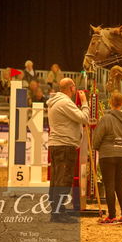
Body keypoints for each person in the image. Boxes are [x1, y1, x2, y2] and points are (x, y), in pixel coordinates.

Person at [46, 77, 89, 223]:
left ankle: (57, 211)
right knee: (64, 179)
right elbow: (84, 118)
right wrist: (84, 103)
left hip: (58, 144)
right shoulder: (64, 102)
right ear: (71, 88)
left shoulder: (55, 102)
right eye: (74, 87)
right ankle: (58, 213)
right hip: (65, 145)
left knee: (57, 179)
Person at [93, 91, 122, 224]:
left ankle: (112, 216)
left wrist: (98, 147)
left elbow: (97, 138)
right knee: (119, 184)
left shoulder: (106, 118)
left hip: (107, 154)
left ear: (110, 102)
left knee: (109, 185)